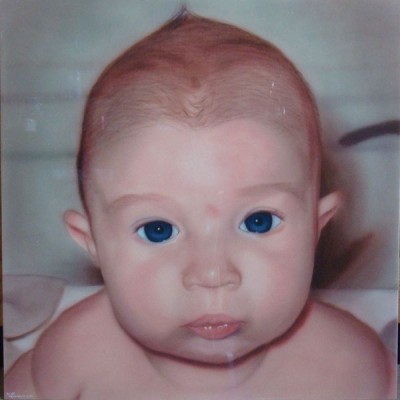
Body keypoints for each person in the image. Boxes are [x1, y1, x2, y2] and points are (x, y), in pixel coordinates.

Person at [5, 9, 396, 400]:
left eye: (258, 222)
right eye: (158, 230)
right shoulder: (74, 358)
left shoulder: (348, 367)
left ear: (316, 226)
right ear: (92, 242)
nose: (212, 273)